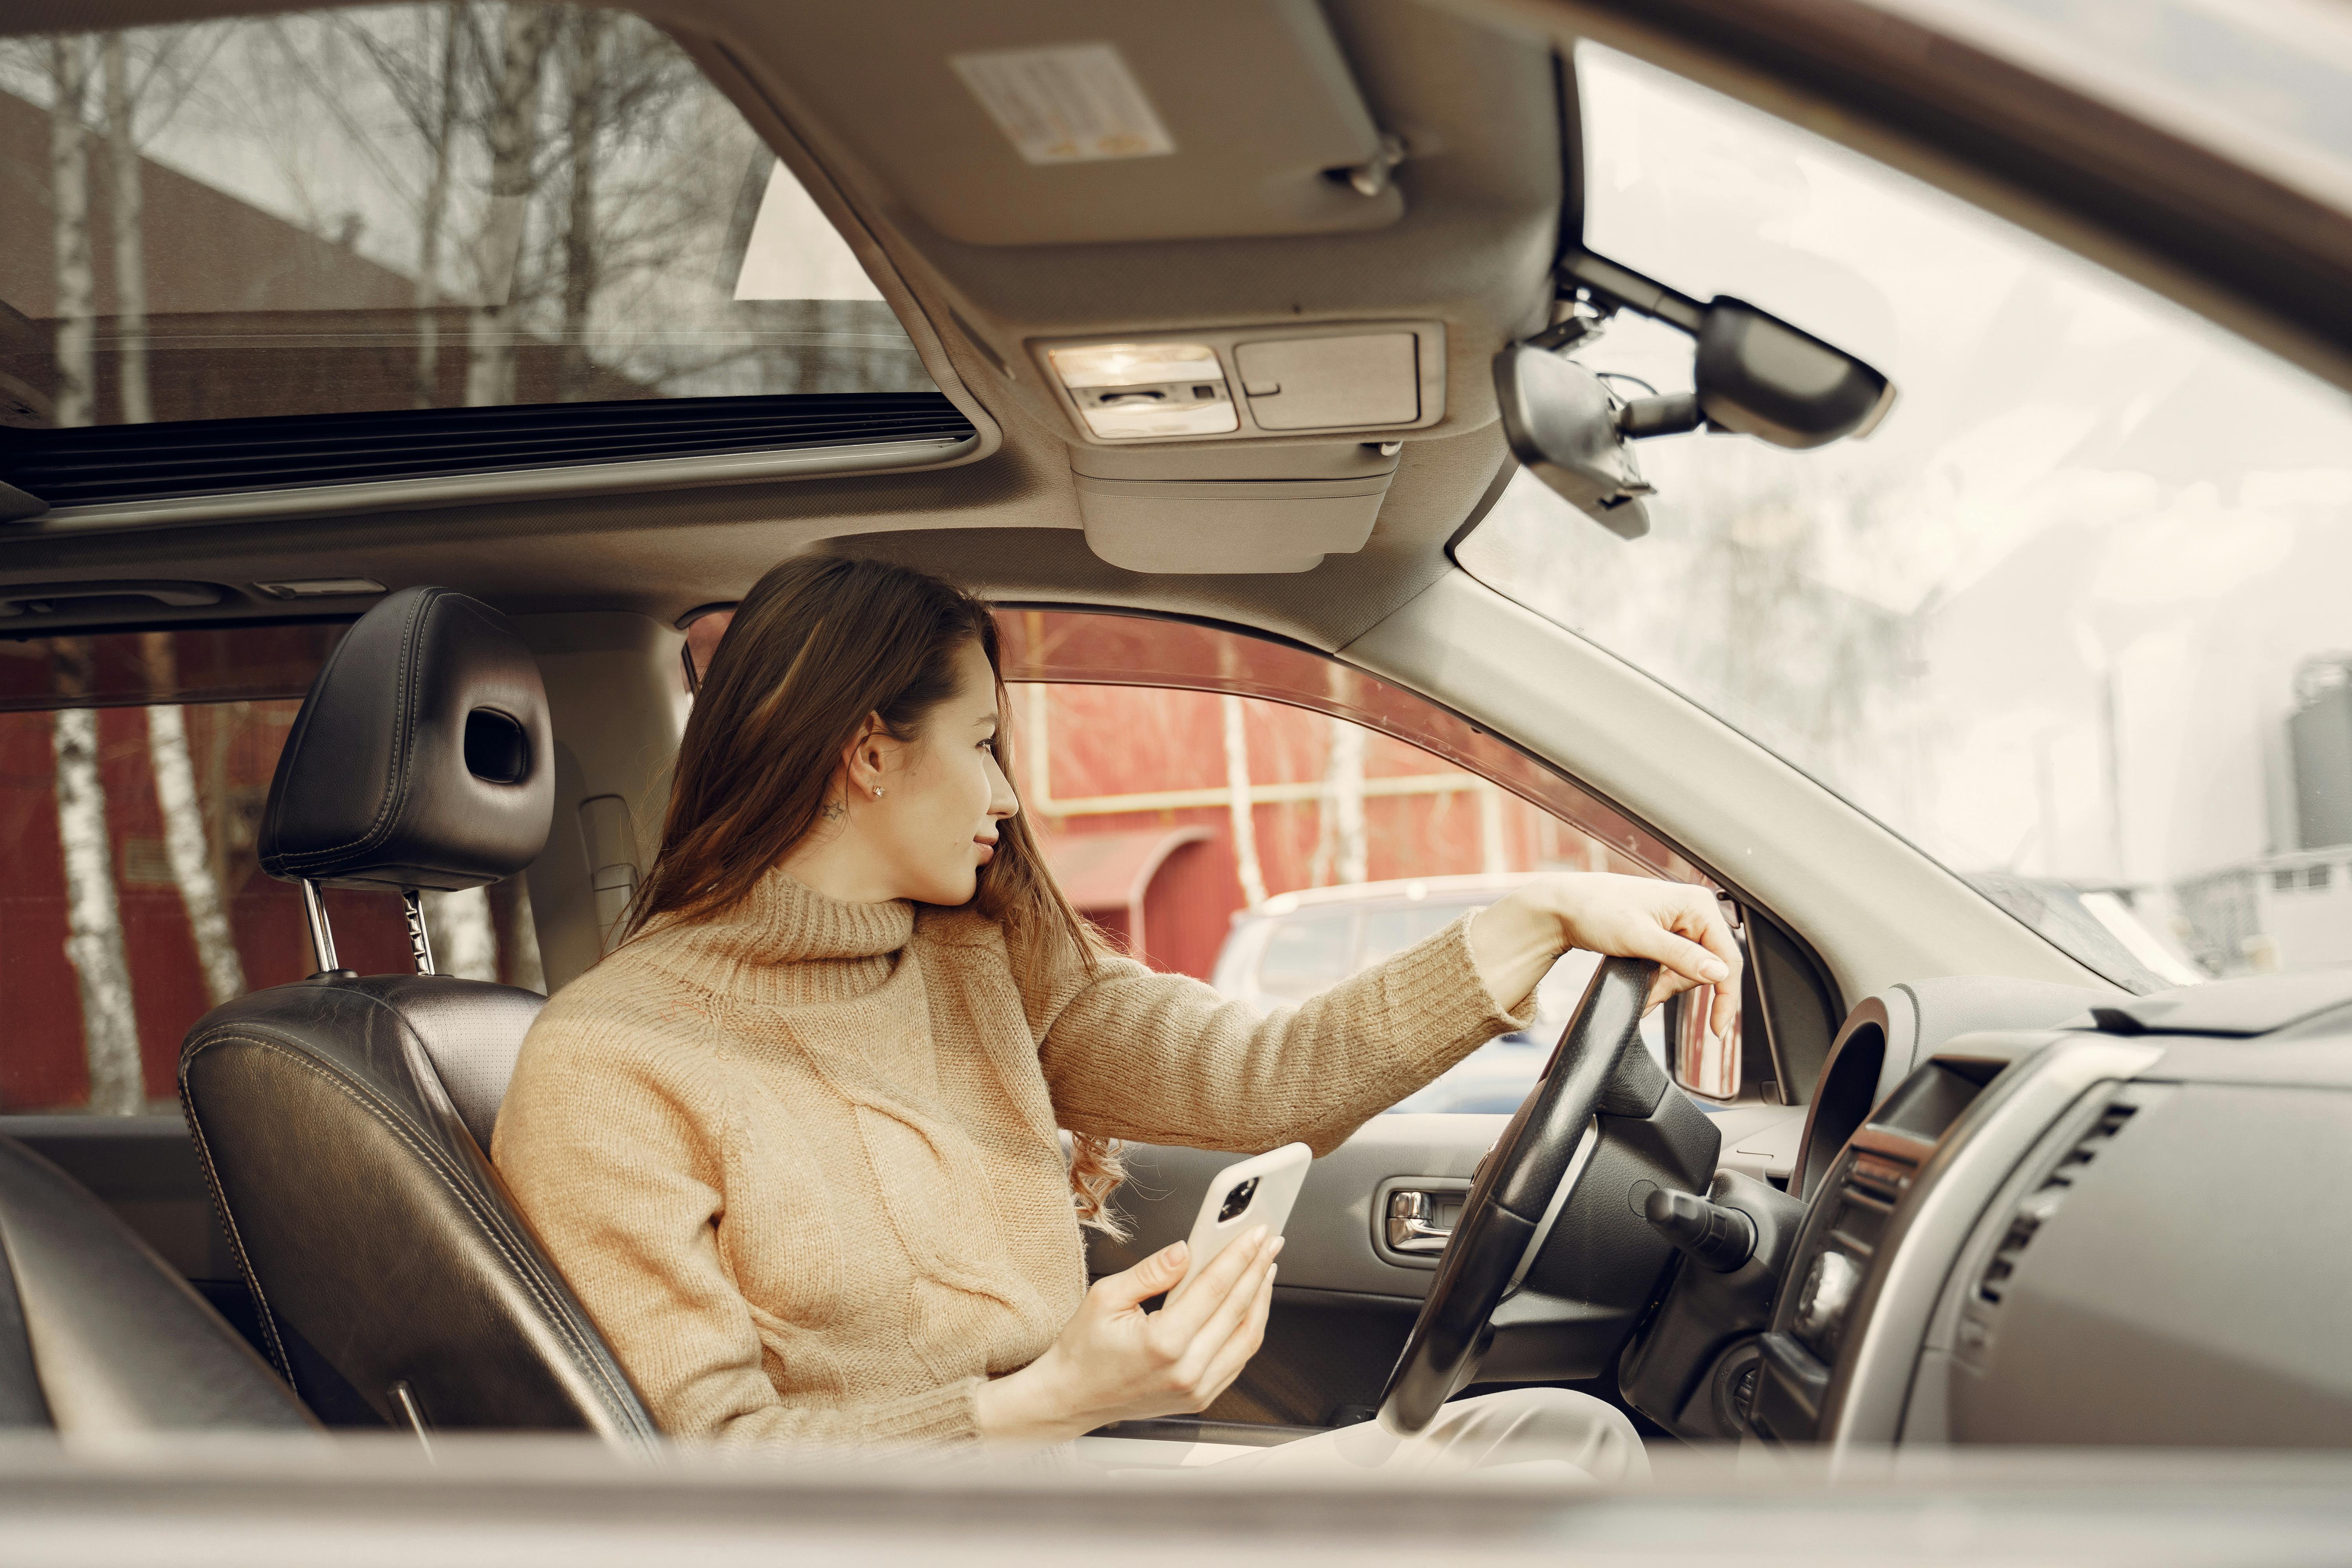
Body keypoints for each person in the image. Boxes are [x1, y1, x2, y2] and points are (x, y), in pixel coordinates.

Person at [493, 556, 1740, 1477]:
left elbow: (1263, 1079)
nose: (1003, 794)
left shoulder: (983, 956)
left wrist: (1543, 919)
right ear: (868, 755)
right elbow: (707, 1466)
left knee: (1556, 1439)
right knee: (1550, 1485)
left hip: (1063, 1479)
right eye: (980, 743)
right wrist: (1045, 1401)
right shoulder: (611, 1064)